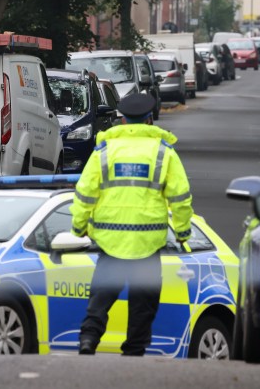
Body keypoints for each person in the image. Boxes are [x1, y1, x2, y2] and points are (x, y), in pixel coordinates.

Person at [70, 92, 194, 356]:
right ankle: (134, 352)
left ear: (123, 120)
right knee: (143, 304)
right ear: (150, 119)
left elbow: (85, 192)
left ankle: (88, 339)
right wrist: (183, 234)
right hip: (147, 245)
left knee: (100, 299)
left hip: (110, 242)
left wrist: (78, 227)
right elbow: (180, 197)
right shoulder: (164, 152)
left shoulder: (105, 150)